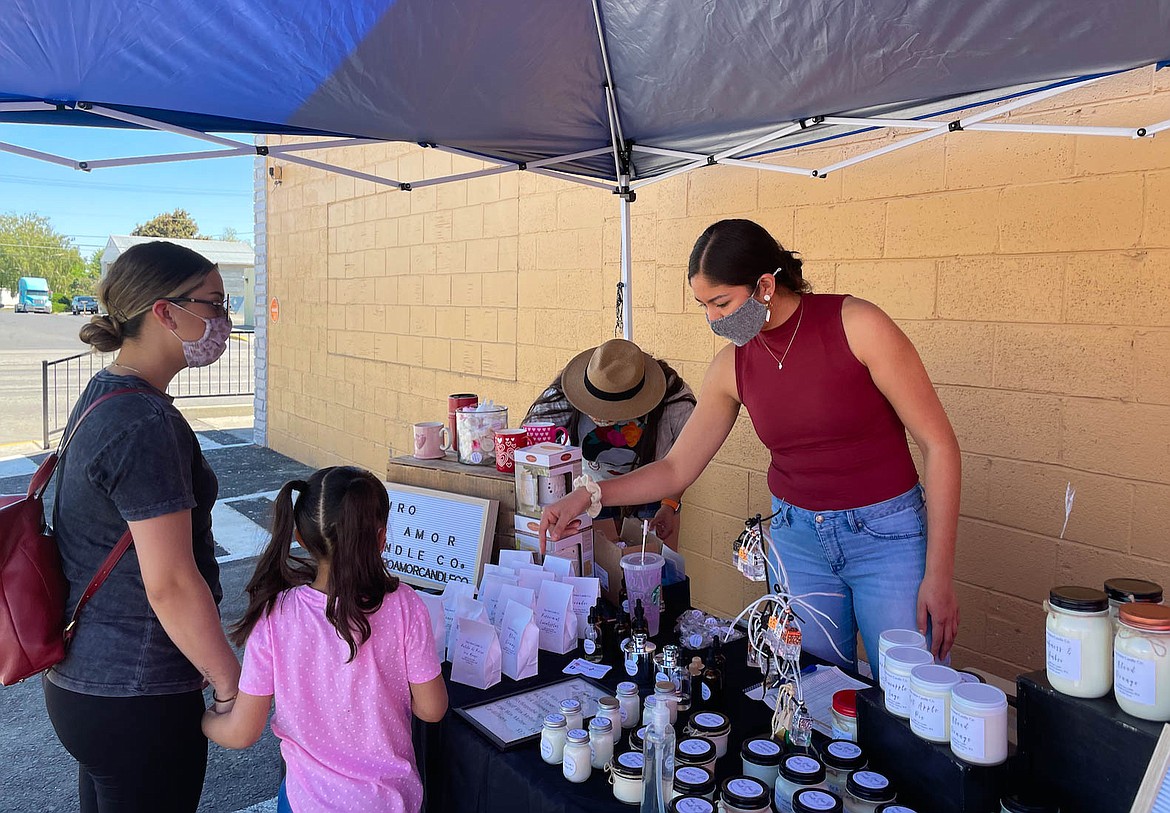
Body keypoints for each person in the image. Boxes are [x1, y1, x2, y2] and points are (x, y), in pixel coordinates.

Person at [541, 219, 961, 674]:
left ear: (765, 285)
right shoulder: (731, 366)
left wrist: (939, 573)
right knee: (810, 688)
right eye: (704, 306)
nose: (714, 320)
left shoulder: (858, 325)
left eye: (722, 303)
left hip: (886, 535)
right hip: (797, 540)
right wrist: (591, 494)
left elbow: (939, 446)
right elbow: (677, 468)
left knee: (910, 691)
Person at [43, 241, 240, 812]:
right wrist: (228, 679)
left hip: (90, 682)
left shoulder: (108, 393)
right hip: (138, 691)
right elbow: (170, 582)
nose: (224, 320)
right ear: (164, 311)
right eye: (214, 303)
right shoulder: (144, 420)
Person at [202, 466, 448, 813]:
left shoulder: (277, 615)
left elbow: (241, 732)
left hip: (306, 802)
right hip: (389, 802)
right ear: (381, 539)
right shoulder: (406, 605)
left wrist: (205, 720)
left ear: (300, 537)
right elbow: (432, 709)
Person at [525, 338, 696, 548]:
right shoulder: (565, 392)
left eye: (612, 410)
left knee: (653, 567)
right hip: (589, 489)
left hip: (655, 493)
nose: (601, 417)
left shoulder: (673, 398)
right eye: (594, 405)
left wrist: (670, 503)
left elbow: (682, 464)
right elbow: (531, 438)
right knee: (604, 567)